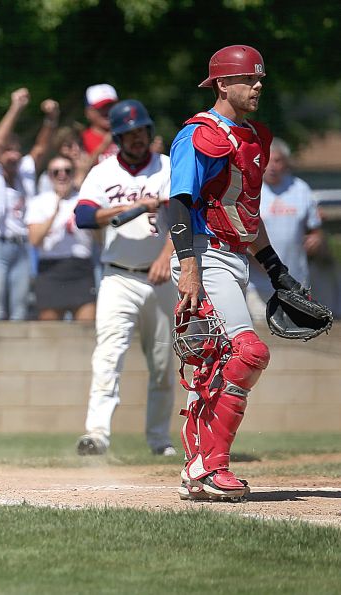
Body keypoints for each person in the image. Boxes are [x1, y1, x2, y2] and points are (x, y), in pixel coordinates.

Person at [168, 45, 286, 501]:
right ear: (221, 84)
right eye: (248, 79)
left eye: (260, 78)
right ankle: (206, 467)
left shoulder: (252, 136)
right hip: (205, 255)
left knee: (221, 363)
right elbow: (180, 202)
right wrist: (190, 267)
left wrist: (277, 271)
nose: (258, 86)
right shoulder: (200, 134)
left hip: (233, 256)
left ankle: (202, 468)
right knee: (248, 354)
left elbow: (243, 215)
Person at [73, 99, 176, 457]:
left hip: (163, 277)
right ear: (117, 138)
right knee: (108, 355)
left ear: (149, 132)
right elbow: (83, 216)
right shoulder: (103, 173)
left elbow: (189, 219)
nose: (136, 139)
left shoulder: (167, 166)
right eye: (128, 134)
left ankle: (159, 439)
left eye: (141, 132)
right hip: (118, 277)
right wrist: (129, 208)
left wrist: (167, 255)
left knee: (163, 364)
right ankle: (97, 434)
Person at [0, 88, 58, 320]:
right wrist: (15, 108)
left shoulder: (25, 173)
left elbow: (41, 148)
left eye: (16, 150)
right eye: (7, 151)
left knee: (21, 310)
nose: (13, 155)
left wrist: (51, 120)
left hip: (21, 247)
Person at [247, 138, 324, 313]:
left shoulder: (300, 188)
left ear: (286, 163)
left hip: (295, 280)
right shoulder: (251, 189)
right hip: (259, 283)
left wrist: (316, 238)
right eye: (267, 160)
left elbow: (315, 228)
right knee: (264, 332)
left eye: (278, 160)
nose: (272, 166)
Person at [26, 156, 95, 321]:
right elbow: (34, 240)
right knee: (50, 332)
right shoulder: (38, 202)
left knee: (87, 328)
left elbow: (98, 237)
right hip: (51, 269)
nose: (62, 175)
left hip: (80, 267)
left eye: (67, 171)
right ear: (49, 176)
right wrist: (55, 210)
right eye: (56, 172)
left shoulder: (85, 199)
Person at [81, 84, 119, 163]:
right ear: (88, 112)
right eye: (101, 108)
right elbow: (81, 170)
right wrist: (105, 145)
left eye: (111, 106)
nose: (108, 111)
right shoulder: (82, 140)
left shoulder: (129, 134)